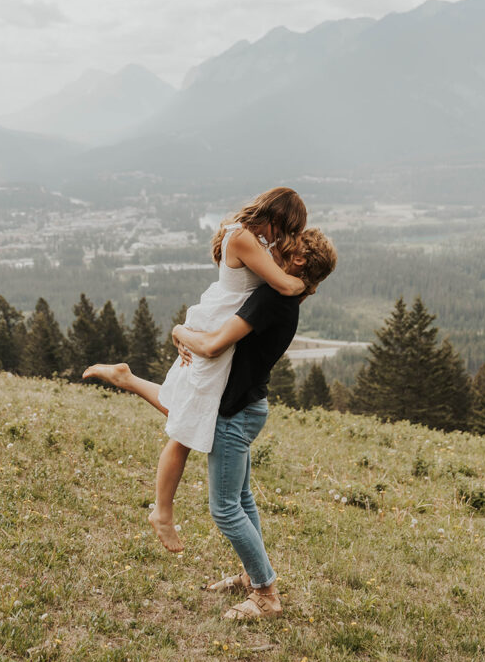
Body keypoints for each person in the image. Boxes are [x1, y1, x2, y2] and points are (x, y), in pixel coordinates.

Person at [84, 228, 338, 619]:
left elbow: (214, 344)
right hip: (243, 406)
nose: (273, 248)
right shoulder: (280, 293)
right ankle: (254, 575)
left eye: (286, 244)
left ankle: (266, 594)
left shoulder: (272, 298)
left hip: (236, 412)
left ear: (300, 260)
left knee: (224, 509)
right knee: (241, 498)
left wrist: (179, 330)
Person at [86, 187, 308, 552]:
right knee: (186, 427)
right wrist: (308, 282)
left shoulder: (249, 236)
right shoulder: (245, 237)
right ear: (274, 217)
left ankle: (126, 378)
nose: (284, 238)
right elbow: (283, 284)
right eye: (286, 229)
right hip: (215, 334)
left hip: (221, 328)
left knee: (189, 409)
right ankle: (162, 511)